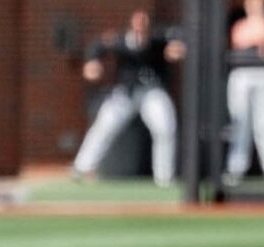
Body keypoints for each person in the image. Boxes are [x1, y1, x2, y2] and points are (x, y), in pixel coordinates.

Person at [72, 9, 185, 187]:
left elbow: (177, 39)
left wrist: (177, 47)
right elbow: (97, 46)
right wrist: (92, 62)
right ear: (131, 26)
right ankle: (82, 167)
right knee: (104, 125)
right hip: (124, 93)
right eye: (137, 24)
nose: (141, 28)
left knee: (165, 127)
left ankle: (164, 177)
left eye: (144, 24)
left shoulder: (157, 40)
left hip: (151, 92)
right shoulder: (120, 41)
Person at [222, 0, 264, 189]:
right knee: (240, 123)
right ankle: (235, 169)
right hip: (241, 74)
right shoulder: (238, 22)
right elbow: (239, 39)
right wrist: (256, 38)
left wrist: (258, 27)